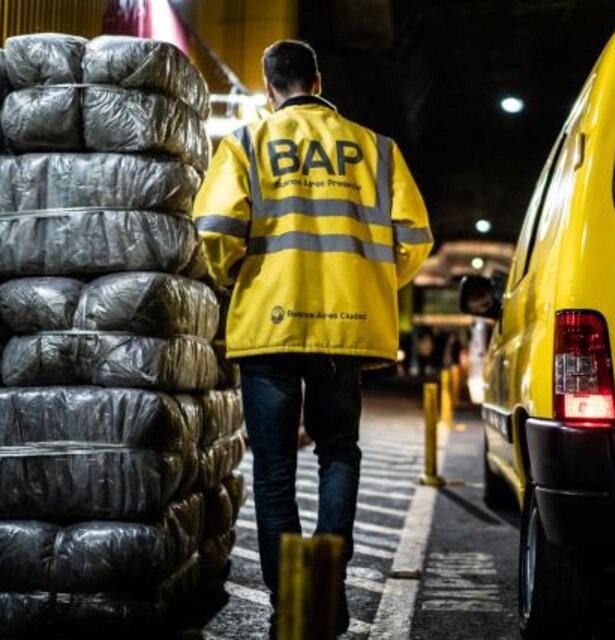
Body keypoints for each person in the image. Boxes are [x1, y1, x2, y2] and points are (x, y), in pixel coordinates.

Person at [192, 40, 432, 637]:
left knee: (274, 469)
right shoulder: (376, 149)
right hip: (345, 329)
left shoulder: (246, 143)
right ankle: (329, 584)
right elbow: (416, 237)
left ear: (269, 86)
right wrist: (371, 281)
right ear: (318, 81)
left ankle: (288, 604)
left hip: (268, 327)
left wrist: (234, 279)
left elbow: (216, 228)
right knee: (338, 454)